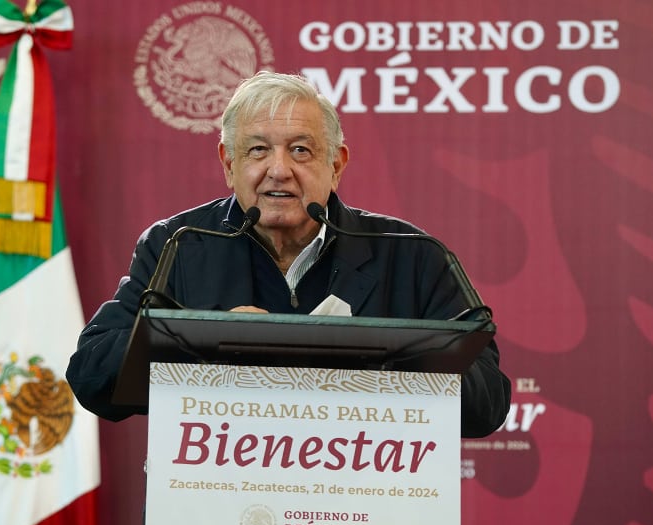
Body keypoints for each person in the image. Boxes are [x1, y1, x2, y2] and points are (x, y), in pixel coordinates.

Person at [66, 71, 511, 438]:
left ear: (335, 165)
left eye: (301, 150)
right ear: (228, 163)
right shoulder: (178, 245)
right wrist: (200, 344)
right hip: (211, 518)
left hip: (366, 516)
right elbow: (90, 375)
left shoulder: (412, 256)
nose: (279, 170)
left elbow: (487, 403)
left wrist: (379, 357)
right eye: (258, 150)